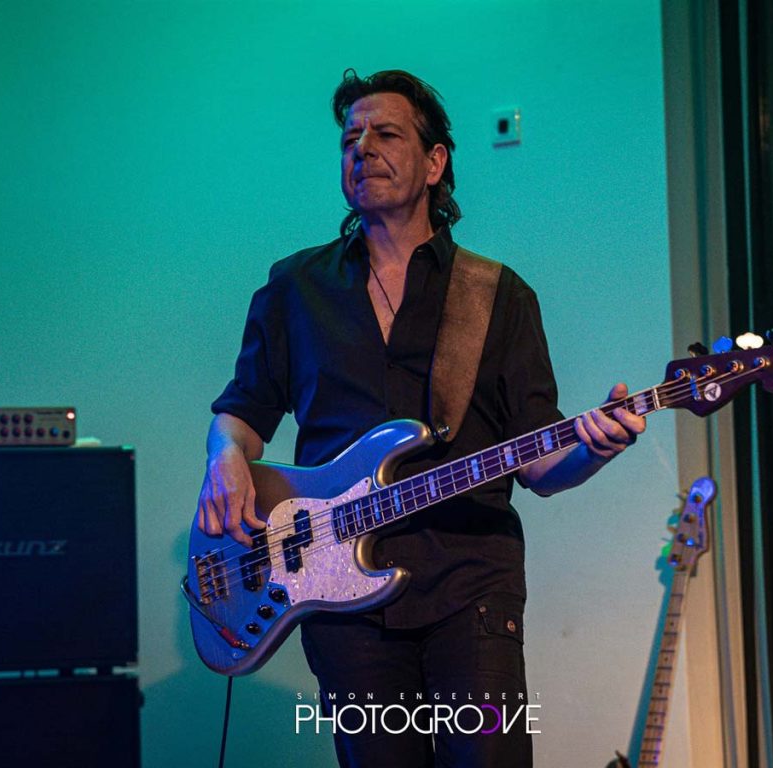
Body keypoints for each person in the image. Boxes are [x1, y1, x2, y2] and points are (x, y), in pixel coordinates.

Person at [197, 69, 646, 768]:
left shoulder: (497, 295)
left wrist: (595, 447)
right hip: (340, 604)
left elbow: (539, 466)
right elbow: (241, 414)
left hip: (471, 585)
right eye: (350, 138)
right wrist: (224, 457)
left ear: (435, 162)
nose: (362, 149)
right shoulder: (295, 289)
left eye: (386, 134)